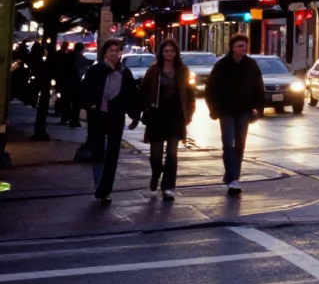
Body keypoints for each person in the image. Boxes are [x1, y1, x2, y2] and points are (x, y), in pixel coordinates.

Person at [79, 39, 140, 206]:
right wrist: (88, 106)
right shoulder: (95, 70)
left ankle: (105, 190)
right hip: (97, 117)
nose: (114, 53)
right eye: (111, 50)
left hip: (116, 117)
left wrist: (135, 115)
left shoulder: (124, 73)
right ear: (105, 53)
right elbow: (84, 90)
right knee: (98, 150)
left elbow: (131, 95)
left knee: (112, 153)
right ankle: (98, 183)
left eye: (117, 50)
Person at [205, 33, 265, 195]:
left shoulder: (251, 65)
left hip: (244, 111)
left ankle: (233, 176)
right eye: (239, 46)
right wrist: (214, 109)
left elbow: (259, 87)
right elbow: (211, 88)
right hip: (226, 111)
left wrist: (258, 107)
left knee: (240, 145)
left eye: (244, 45)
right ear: (232, 48)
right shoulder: (222, 65)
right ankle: (233, 179)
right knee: (228, 144)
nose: (243, 48)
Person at [140, 39, 196, 201]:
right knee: (155, 154)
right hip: (157, 115)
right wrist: (142, 111)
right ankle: (156, 173)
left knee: (172, 153)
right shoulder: (153, 71)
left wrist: (189, 113)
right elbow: (144, 92)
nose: (169, 54)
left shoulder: (183, 70)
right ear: (161, 53)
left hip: (176, 115)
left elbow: (190, 94)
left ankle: (168, 187)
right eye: (166, 51)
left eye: (172, 51)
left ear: (176, 53)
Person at [28, 43, 52, 141]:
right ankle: (40, 132)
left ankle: (40, 131)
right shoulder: (39, 61)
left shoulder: (34, 59)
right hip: (41, 84)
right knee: (42, 108)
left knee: (42, 108)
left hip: (39, 84)